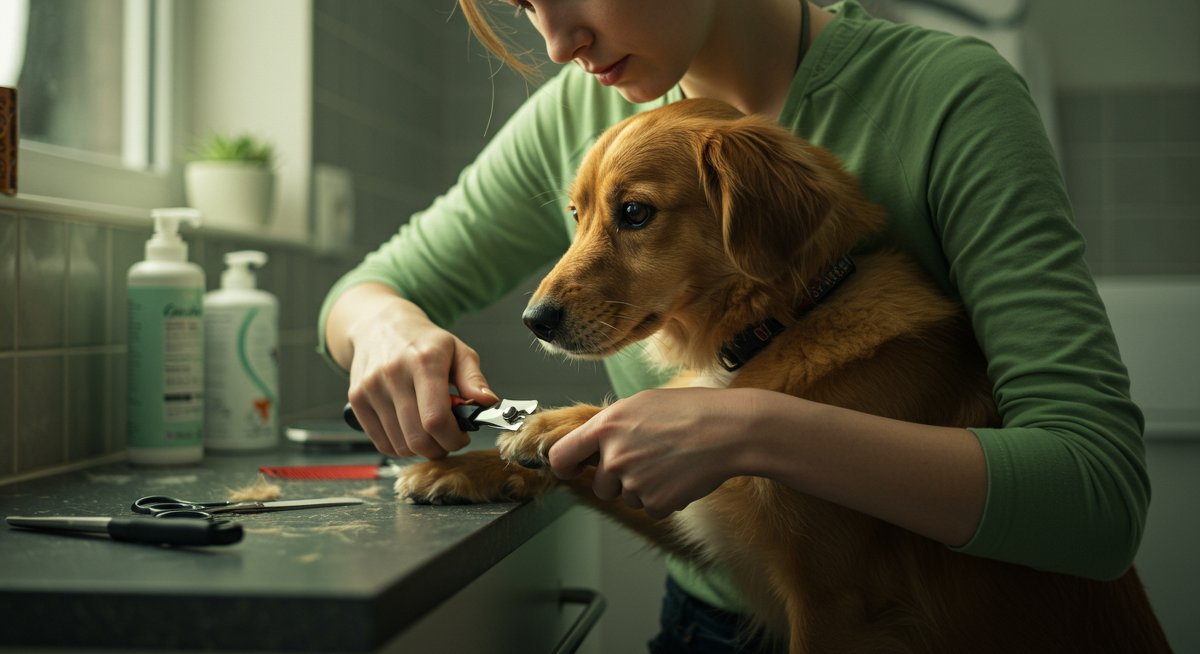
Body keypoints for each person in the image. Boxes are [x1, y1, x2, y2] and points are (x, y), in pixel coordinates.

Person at [319, 1, 1149, 651]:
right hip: (710, 627)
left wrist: (751, 429)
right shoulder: (582, 111)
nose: (557, 43)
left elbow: (1099, 498)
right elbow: (364, 290)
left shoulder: (945, 93)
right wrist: (386, 327)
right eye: (525, 3)